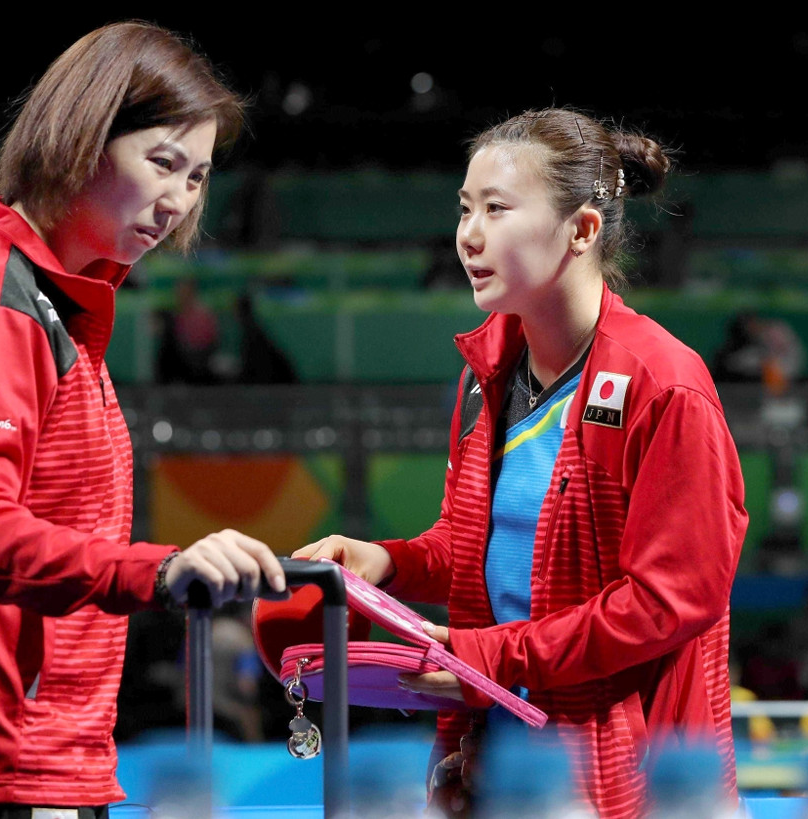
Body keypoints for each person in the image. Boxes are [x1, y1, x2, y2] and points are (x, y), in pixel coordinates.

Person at [0, 22, 287, 819]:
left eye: (198, 176)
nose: (180, 199)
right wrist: (152, 569)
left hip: (32, 752)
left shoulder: (55, 301)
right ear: (83, 138)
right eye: (162, 163)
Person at [294, 108, 747, 818]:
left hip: (628, 773)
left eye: (497, 210)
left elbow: (667, 604)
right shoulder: (486, 374)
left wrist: (485, 655)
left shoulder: (664, 384)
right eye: (465, 209)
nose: (469, 235)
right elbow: (482, 546)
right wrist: (387, 561)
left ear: (582, 230)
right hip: (494, 761)